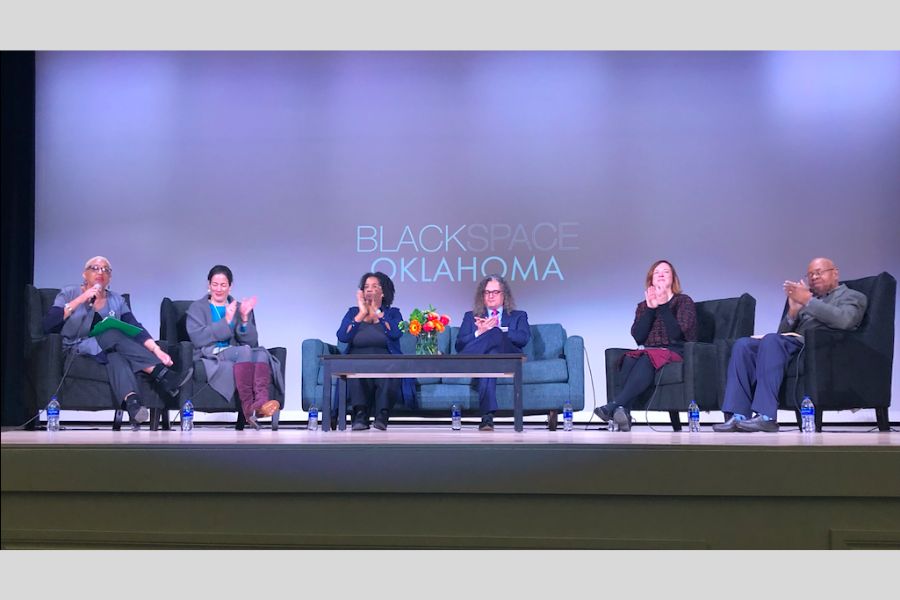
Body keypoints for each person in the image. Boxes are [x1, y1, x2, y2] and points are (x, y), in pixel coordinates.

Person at [714, 257, 867, 433]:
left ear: (835, 273)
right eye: (810, 274)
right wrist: (793, 312)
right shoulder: (806, 301)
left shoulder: (852, 296)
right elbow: (781, 334)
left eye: (818, 272)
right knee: (743, 345)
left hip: (819, 346)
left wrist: (809, 301)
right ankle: (739, 415)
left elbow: (845, 320)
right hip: (792, 343)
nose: (814, 277)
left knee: (771, 340)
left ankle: (766, 416)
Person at [42, 256, 191, 430]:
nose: (100, 272)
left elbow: (135, 327)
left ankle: (133, 404)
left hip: (105, 350)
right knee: (111, 332)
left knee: (116, 356)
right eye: (95, 268)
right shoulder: (69, 292)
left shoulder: (116, 300)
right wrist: (82, 299)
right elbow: (48, 324)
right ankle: (162, 374)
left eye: (106, 269)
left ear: (110, 278)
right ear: (84, 274)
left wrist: (157, 350)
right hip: (75, 348)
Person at [593, 260, 697, 431]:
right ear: (651, 279)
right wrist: (650, 309)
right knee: (629, 358)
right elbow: (639, 337)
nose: (661, 274)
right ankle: (623, 412)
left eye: (666, 272)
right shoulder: (643, 306)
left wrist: (663, 306)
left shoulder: (683, 301)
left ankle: (614, 406)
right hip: (651, 352)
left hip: (676, 350)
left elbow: (677, 335)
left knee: (647, 357)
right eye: (657, 272)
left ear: (673, 279)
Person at [186, 265, 284, 430]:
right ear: (208, 285)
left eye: (223, 285)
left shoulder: (239, 307)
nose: (219, 289)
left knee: (261, 353)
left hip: (237, 352)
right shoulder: (197, 308)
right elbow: (198, 338)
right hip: (210, 354)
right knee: (244, 351)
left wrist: (244, 319)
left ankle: (260, 405)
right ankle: (248, 409)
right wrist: (226, 321)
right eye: (215, 284)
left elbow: (253, 342)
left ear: (230, 286)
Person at [336, 271, 414, 431]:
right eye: (366, 287)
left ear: (383, 291)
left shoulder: (393, 313)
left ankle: (382, 415)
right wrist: (362, 312)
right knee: (353, 369)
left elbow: (395, 333)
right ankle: (360, 415)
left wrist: (377, 311)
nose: (369, 290)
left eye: (374, 286)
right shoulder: (353, 312)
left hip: (385, 358)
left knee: (391, 369)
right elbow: (343, 336)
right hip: (357, 357)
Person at [456, 274, 531, 431]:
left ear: (504, 295)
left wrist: (498, 329)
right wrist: (480, 332)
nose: (490, 296)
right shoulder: (470, 317)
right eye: (487, 292)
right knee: (490, 359)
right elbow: (459, 343)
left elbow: (523, 338)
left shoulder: (518, 316)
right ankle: (487, 418)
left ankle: (457, 361)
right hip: (485, 359)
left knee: (496, 333)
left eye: (495, 292)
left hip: (509, 356)